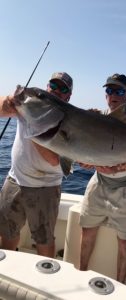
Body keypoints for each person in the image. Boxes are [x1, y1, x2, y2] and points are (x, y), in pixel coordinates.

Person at [79, 73, 126, 283]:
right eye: (109, 90)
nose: (113, 95)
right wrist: (87, 162)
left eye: (119, 91)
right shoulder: (96, 116)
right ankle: (80, 275)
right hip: (99, 182)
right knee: (86, 230)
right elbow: (83, 151)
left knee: (125, 242)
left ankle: (119, 286)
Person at [0, 72, 73, 258]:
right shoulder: (30, 105)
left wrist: (34, 126)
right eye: (53, 86)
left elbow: (55, 160)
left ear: (68, 96)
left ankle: (46, 278)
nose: (56, 91)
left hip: (45, 188)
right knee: (7, 232)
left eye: (63, 89)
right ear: (47, 87)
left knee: (44, 240)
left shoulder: (67, 119)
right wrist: (9, 100)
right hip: (14, 179)